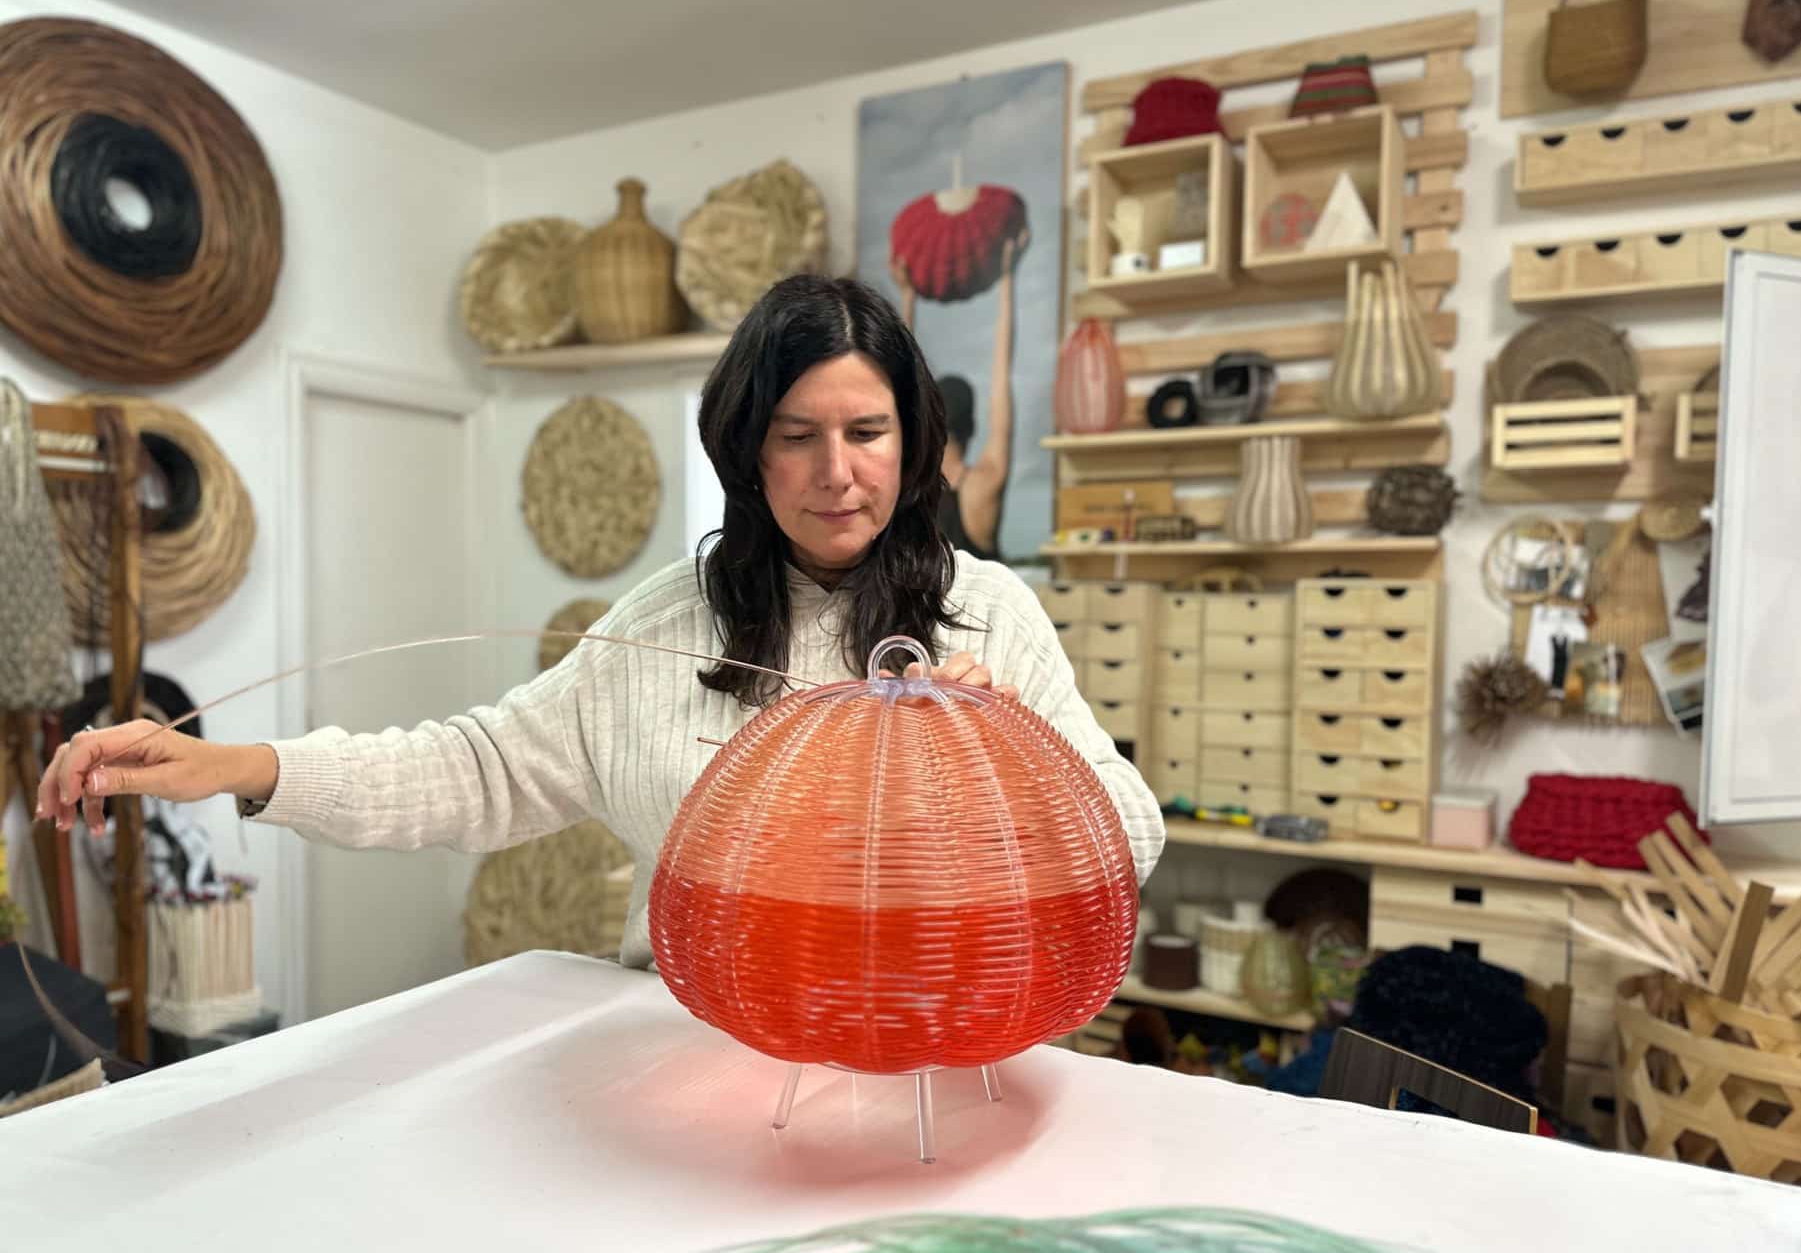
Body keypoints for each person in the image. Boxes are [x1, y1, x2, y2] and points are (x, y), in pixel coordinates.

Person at [35, 275, 1163, 972]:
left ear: (910, 442)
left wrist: (1014, 767)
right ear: (744, 448)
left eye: (866, 431)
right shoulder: (668, 620)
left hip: (928, 1063)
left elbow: (1130, 826)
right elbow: (477, 770)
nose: (837, 474)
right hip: (682, 1065)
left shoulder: (988, 614)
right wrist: (234, 764)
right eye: (795, 435)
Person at [891, 229, 1025, 562]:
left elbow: (901, 379)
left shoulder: (911, 489)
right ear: (972, 425)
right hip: (981, 616)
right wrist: (1007, 277)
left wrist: (908, 295)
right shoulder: (985, 482)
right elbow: (1001, 372)